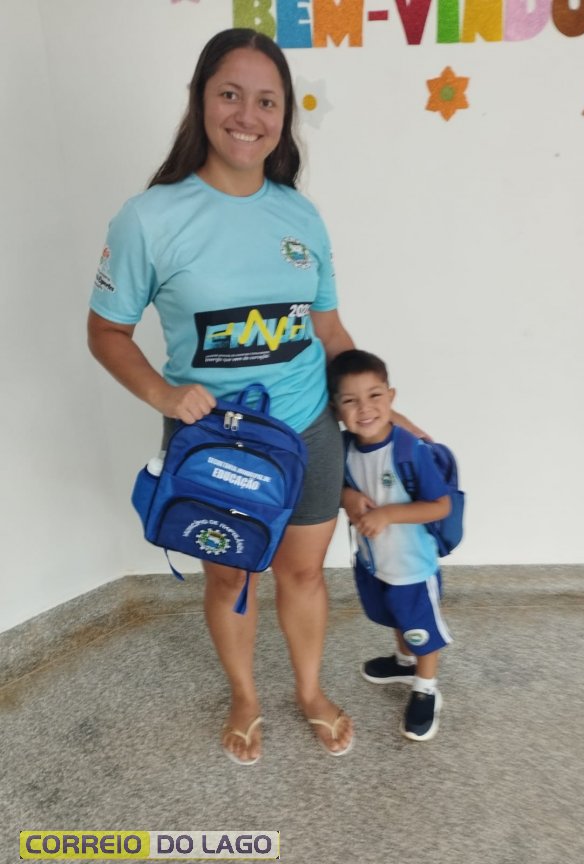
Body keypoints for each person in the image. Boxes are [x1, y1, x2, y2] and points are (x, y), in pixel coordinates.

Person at [88, 28, 420, 765]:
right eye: (230, 95)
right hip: (211, 441)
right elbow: (106, 331)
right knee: (231, 574)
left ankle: (309, 691)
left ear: (284, 115)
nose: (248, 115)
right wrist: (164, 395)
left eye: (267, 101)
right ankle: (244, 695)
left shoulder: (300, 216)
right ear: (200, 100)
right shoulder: (149, 218)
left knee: (301, 572)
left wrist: (376, 408)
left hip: (307, 432)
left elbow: (327, 328)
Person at [328, 349, 453, 741]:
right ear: (336, 409)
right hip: (374, 561)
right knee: (395, 616)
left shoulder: (409, 450)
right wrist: (347, 496)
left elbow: (441, 505)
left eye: (374, 395)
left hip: (411, 565)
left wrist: (388, 515)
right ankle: (403, 663)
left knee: (420, 629)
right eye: (350, 400)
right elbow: (337, 487)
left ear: (391, 397)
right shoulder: (344, 448)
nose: (364, 408)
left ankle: (426, 689)